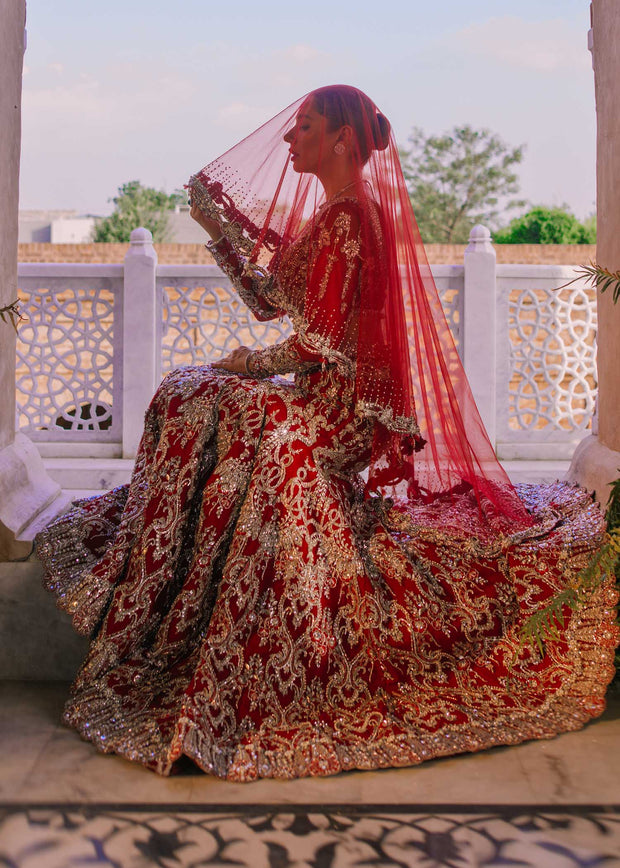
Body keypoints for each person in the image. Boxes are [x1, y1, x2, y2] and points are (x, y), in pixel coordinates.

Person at [37, 85, 617, 781]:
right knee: (193, 393)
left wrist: (249, 366)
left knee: (206, 396)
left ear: (341, 138)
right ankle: (167, 594)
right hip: (312, 392)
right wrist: (219, 235)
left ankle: (159, 598)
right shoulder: (334, 216)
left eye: (303, 127)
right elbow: (268, 304)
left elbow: (317, 344)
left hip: (336, 413)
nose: (288, 141)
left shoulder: (352, 218)